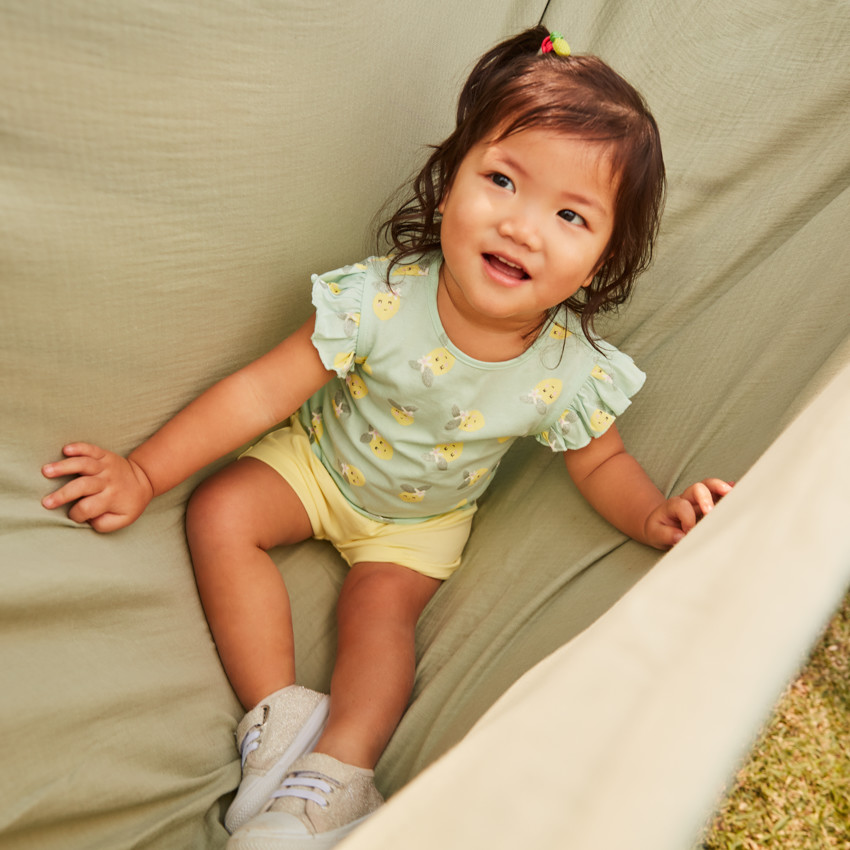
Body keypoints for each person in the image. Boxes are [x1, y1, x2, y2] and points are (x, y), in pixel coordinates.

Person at [41, 25, 732, 850]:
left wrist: (655, 516)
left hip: (418, 524)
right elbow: (262, 390)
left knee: (382, 617)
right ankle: (280, 720)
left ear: (599, 262)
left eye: (570, 215)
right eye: (502, 180)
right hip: (319, 463)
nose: (521, 226)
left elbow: (604, 462)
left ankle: (336, 777)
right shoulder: (378, 301)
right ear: (448, 189)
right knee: (222, 510)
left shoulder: (570, 372)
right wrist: (145, 473)